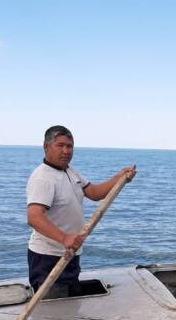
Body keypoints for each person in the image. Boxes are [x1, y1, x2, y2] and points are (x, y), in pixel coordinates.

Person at [27, 125, 136, 297]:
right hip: (48, 258)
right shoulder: (43, 178)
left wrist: (120, 178)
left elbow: (94, 193)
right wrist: (64, 238)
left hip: (70, 253)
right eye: (60, 145)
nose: (66, 151)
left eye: (69, 146)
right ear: (46, 147)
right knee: (55, 309)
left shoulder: (70, 172)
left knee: (69, 303)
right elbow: (34, 217)